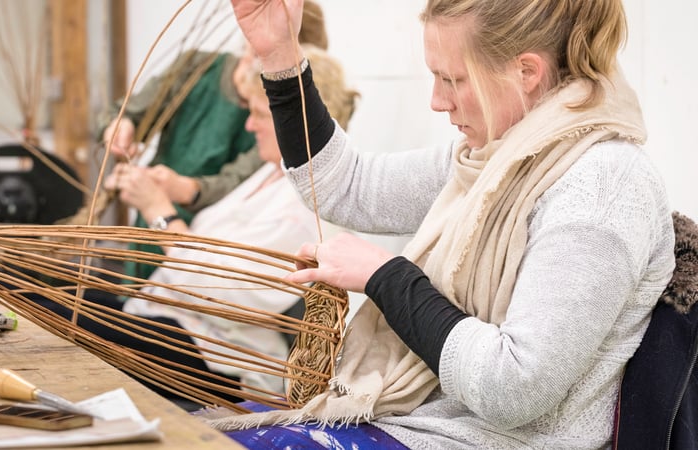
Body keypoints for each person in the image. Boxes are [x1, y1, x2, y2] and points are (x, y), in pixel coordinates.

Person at [210, 0, 677, 448]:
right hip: (423, 425)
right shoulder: (495, 158)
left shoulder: (603, 189)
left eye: (452, 79)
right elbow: (346, 186)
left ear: (526, 72)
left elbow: (513, 388)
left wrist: (384, 278)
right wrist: (279, 55)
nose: (437, 101)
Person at [43, 45, 356, 403]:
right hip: (175, 318)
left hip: (223, 355)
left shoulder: (304, 204)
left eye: (256, 114)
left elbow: (222, 291)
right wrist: (172, 188)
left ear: (290, 119)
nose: (249, 126)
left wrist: (160, 212)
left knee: (56, 315)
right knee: (47, 298)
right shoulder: (271, 176)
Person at [100, 0, 330, 281]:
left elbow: (236, 185)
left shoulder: (283, 120)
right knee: (141, 303)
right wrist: (122, 125)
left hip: (205, 248)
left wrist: (178, 192)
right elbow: (130, 111)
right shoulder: (197, 68)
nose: (250, 122)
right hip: (157, 229)